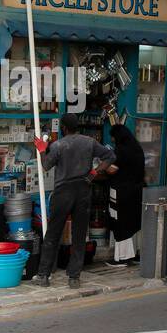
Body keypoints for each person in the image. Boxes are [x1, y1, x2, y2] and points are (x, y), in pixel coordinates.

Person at [31, 112, 113, 287]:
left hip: (63, 192)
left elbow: (46, 166)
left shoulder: (59, 145)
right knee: (79, 235)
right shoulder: (89, 142)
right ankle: (74, 277)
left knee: (53, 233)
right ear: (78, 127)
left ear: (63, 128)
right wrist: (94, 173)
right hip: (83, 189)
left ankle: (43, 275)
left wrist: (42, 150)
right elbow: (110, 157)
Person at [104, 123, 145, 267]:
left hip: (122, 191)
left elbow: (112, 170)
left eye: (113, 138)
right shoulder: (137, 148)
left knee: (120, 223)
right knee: (135, 222)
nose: (113, 140)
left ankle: (122, 257)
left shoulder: (121, 150)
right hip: (138, 191)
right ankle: (136, 254)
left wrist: (102, 164)